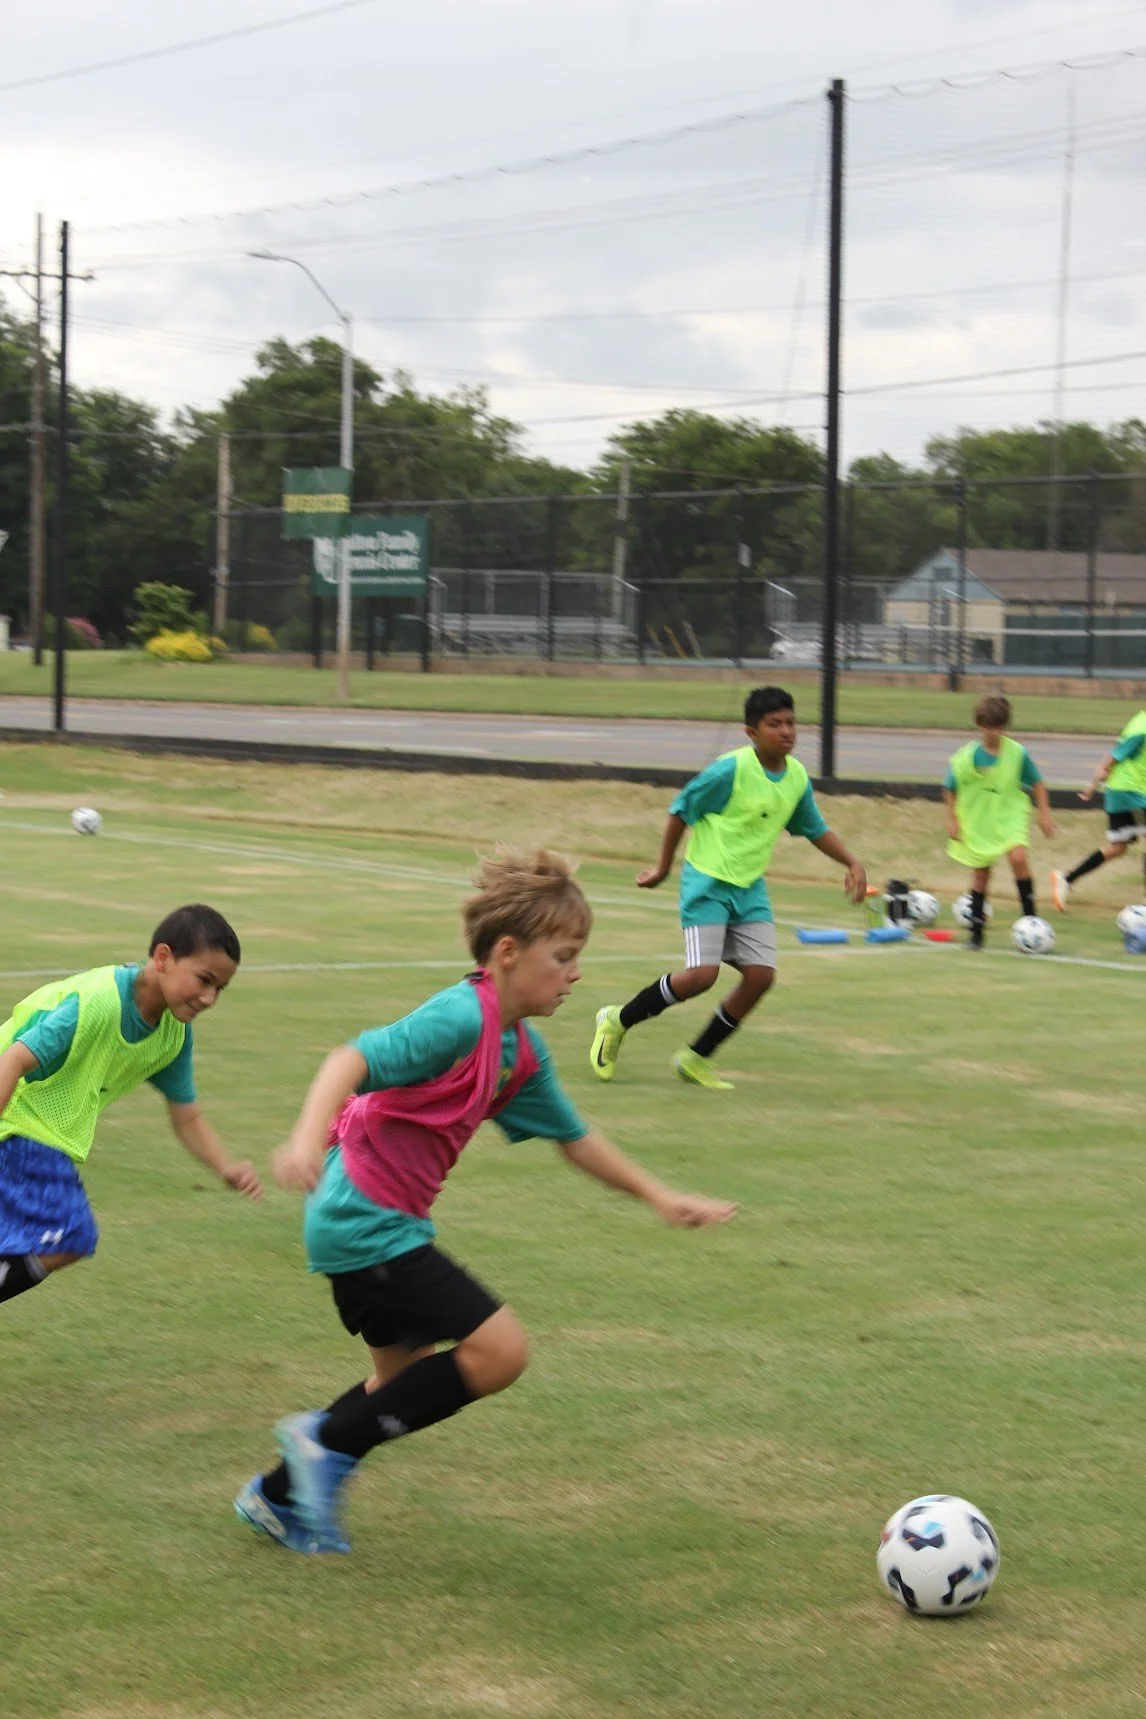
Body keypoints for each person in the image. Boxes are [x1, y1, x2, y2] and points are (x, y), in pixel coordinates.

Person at [236, 849, 735, 1557]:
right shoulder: (461, 1018)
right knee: (500, 1352)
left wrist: (659, 1195)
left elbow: (575, 1138)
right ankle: (322, 1439)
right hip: (363, 1217)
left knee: (398, 1384)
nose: (575, 973)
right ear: (507, 953)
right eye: (562, 956)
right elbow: (349, 1059)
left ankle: (277, 1495)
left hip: (372, 1223)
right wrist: (304, 1139)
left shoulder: (519, 1052)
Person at [588, 686, 867, 1092]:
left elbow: (813, 827)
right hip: (708, 882)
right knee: (702, 976)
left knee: (760, 977)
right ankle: (617, 1020)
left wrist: (851, 861)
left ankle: (695, 1058)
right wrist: (663, 868)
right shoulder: (729, 770)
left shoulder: (796, 778)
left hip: (749, 888)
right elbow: (680, 810)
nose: (786, 731)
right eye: (774, 724)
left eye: (791, 723)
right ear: (751, 732)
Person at [0, 904, 261, 1306]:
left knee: (55, 1238)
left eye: (220, 989)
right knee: (71, 1233)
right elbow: (13, 1060)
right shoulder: (97, 1003)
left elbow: (187, 1116)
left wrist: (225, 1166)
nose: (210, 998)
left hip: (36, 1130)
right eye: (204, 980)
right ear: (163, 958)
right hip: (19, 1121)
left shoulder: (173, 1035)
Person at [943, 694, 1054, 949]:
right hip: (979, 819)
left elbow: (1038, 783)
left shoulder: (1017, 753)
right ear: (979, 725)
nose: (993, 732)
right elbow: (949, 787)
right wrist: (952, 818)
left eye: (998, 727)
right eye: (988, 727)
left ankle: (1031, 920)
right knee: (981, 874)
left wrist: (1044, 814)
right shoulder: (965, 757)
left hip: (1010, 814)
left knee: (1018, 858)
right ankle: (976, 933)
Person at [1051, 707, 1146, 910]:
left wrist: (1093, 785)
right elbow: (1114, 756)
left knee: (1118, 848)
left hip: (1126, 790)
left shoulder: (1140, 721)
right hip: (1129, 791)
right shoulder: (1142, 727)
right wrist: (1092, 784)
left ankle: (1066, 879)